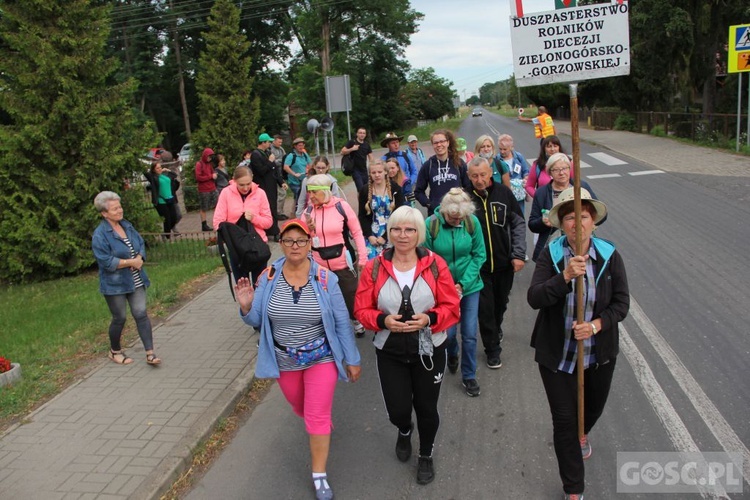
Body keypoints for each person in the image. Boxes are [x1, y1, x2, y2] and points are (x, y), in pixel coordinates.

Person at [236, 218, 362, 500]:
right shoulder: (267, 278)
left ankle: (319, 476)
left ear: (310, 243)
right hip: (284, 360)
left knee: (316, 416)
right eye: (289, 240)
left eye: (301, 240)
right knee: (300, 407)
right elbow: (256, 319)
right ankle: (320, 426)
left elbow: (342, 322)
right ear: (281, 243)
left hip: (321, 358)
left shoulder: (326, 279)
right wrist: (246, 305)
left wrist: (351, 359)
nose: (295, 245)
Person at [527, 188, 629, 500]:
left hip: (598, 355)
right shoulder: (552, 255)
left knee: (589, 413)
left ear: (593, 221)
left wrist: (596, 325)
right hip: (557, 356)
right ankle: (574, 488)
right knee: (565, 421)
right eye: (570, 217)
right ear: (562, 223)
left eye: (582, 216)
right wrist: (565, 277)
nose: (577, 223)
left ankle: (582, 434)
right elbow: (534, 298)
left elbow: (621, 304)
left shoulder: (609, 255)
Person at [354, 206, 460, 485]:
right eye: (397, 229)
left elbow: (452, 306)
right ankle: (403, 430)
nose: (403, 235)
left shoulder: (435, 264)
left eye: (410, 229)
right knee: (398, 410)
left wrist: (430, 317)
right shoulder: (374, 267)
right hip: (390, 351)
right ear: (389, 232)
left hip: (429, 349)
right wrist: (382, 320)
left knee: (427, 408)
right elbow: (361, 310)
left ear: (419, 233)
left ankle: (425, 454)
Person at [423, 188, 485, 397]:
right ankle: (453, 352)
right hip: (443, 289)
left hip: (470, 287)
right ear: (444, 211)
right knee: (448, 334)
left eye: (460, 217)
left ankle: (469, 375)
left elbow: (479, 255)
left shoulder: (471, 222)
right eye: (452, 217)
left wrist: (463, 284)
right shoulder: (431, 224)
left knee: (469, 334)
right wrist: (447, 286)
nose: (456, 221)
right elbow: (426, 259)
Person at [467, 157, 526, 369]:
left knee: (500, 304)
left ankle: (497, 327)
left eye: (483, 175)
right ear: (469, 177)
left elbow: (518, 224)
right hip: (478, 268)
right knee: (485, 309)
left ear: (490, 173)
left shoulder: (503, 193)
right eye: (474, 176)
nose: (479, 180)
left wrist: (518, 254)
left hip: (504, 263)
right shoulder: (464, 197)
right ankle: (492, 349)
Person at [92, 191, 161, 366]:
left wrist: (140, 258)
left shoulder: (127, 226)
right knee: (119, 318)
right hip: (115, 284)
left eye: (120, 206)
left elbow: (140, 243)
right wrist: (130, 261)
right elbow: (105, 261)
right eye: (115, 209)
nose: (120, 210)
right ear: (104, 213)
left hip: (136, 279)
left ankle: (150, 353)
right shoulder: (100, 234)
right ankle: (115, 351)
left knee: (141, 314)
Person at [303, 174, 368, 336]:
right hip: (319, 265)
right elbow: (300, 238)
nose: (310, 196)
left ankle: (356, 320)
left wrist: (363, 257)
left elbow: (357, 232)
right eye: (309, 192)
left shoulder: (341, 206)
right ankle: (330, 327)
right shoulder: (308, 211)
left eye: (314, 192)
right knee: (324, 298)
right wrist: (308, 229)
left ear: (325, 191)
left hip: (342, 262)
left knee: (350, 295)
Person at [529, 153, 603, 262]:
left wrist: (587, 222)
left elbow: (599, 213)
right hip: (554, 247)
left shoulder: (581, 187)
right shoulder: (542, 193)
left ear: (569, 169)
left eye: (564, 168)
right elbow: (532, 224)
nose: (562, 173)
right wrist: (543, 222)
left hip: (582, 244)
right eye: (556, 170)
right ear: (550, 173)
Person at [213, 166, 274, 283]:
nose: (245, 188)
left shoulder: (260, 193)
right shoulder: (226, 193)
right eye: (241, 185)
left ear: (252, 179)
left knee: (260, 287)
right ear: (234, 181)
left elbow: (268, 222)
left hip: (257, 247)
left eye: (248, 184)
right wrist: (231, 234)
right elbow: (217, 222)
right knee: (243, 288)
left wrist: (254, 218)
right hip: (237, 248)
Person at [414, 129, 471, 216]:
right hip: (436, 214)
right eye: (436, 143)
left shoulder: (459, 163)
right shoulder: (428, 166)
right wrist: (429, 204)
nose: (439, 145)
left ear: (448, 143)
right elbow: (418, 191)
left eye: (442, 141)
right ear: (432, 145)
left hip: (457, 214)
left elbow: (468, 187)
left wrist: (462, 202)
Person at [357, 159, 405, 260]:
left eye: (380, 172)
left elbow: (400, 216)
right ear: (370, 174)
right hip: (373, 235)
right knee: (372, 266)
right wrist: (369, 235)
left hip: (392, 233)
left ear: (385, 172)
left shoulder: (395, 189)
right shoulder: (365, 190)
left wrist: (385, 237)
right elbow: (362, 216)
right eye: (373, 172)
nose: (377, 175)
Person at [251, 133, 286, 241]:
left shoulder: (267, 152)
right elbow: (261, 171)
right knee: (267, 209)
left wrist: (281, 182)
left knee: (273, 208)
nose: (270, 144)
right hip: (263, 187)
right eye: (269, 142)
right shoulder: (256, 155)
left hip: (271, 186)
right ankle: (273, 231)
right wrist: (270, 161)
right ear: (263, 143)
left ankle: (274, 230)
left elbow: (274, 169)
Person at [525, 135, 569, 200]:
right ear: (544, 149)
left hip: (566, 201)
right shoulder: (538, 165)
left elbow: (574, 183)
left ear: (559, 147)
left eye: (555, 146)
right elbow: (529, 186)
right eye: (549, 146)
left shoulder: (568, 162)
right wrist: (539, 197)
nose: (552, 149)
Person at [143, 161, 179, 237]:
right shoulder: (154, 178)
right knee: (167, 219)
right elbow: (146, 173)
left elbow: (174, 176)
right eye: (157, 168)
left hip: (170, 199)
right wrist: (152, 171)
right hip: (161, 201)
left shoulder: (164, 175)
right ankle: (167, 237)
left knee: (174, 217)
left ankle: (165, 233)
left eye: (160, 167)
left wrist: (167, 170)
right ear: (153, 170)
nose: (159, 169)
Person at [381, 132, 418, 204]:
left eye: (397, 142)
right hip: (391, 190)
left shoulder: (405, 156)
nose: (396, 145)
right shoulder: (384, 159)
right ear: (388, 145)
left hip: (406, 188)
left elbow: (414, 171)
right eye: (393, 143)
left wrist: (410, 182)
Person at [498, 134, 530, 214]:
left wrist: (525, 180)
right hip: (505, 193)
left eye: (505, 149)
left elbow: (526, 172)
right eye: (500, 149)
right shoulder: (497, 159)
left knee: (520, 214)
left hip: (519, 194)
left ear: (511, 147)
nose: (502, 152)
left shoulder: (519, 157)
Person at [341, 127, 373, 192]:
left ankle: (366, 201)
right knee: (360, 189)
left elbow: (371, 158)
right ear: (357, 134)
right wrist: (352, 149)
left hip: (364, 170)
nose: (362, 134)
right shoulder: (352, 142)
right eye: (360, 133)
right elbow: (342, 152)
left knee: (366, 189)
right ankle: (362, 202)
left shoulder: (366, 145)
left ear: (365, 135)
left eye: (364, 133)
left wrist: (372, 168)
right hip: (355, 170)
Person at [284, 137, 312, 210]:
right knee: (300, 196)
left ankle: (293, 214)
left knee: (298, 197)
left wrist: (308, 171)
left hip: (303, 181)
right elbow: (286, 167)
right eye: (299, 145)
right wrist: (294, 174)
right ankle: (299, 213)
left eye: (302, 145)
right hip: (294, 182)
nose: (301, 147)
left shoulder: (304, 155)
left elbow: (310, 164)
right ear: (295, 146)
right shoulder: (291, 156)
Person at [195, 147, 217, 231]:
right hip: (204, 189)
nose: (209, 158)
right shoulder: (199, 164)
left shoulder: (209, 164)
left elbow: (212, 172)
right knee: (204, 207)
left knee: (217, 205)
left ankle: (217, 221)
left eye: (211, 157)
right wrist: (210, 176)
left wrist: (214, 174)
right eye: (208, 156)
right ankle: (204, 224)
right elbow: (198, 177)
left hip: (212, 187)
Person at [270, 135, 288, 220]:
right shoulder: (270, 149)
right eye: (279, 142)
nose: (280, 144)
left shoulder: (281, 149)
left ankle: (280, 211)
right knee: (282, 193)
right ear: (274, 141)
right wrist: (281, 161)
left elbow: (285, 159)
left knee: (281, 193)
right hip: (274, 175)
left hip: (281, 174)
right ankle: (277, 212)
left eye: (281, 142)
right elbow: (272, 161)